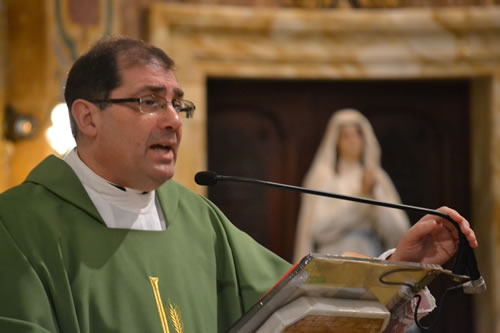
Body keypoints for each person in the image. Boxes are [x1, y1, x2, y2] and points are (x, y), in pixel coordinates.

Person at [0, 37, 478, 333]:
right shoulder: (19, 225)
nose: (173, 120)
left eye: (178, 105)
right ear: (87, 117)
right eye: (149, 101)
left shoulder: (195, 217)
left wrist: (400, 267)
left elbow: (304, 307)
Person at [294, 109, 410, 261]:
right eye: (346, 136)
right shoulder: (326, 178)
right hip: (334, 257)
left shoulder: (377, 178)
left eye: (358, 134)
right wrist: (360, 199)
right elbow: (319, 231)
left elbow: (398, 231)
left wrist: (374, 197)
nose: (353, 141)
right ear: (336, 141)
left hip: (370, 255)